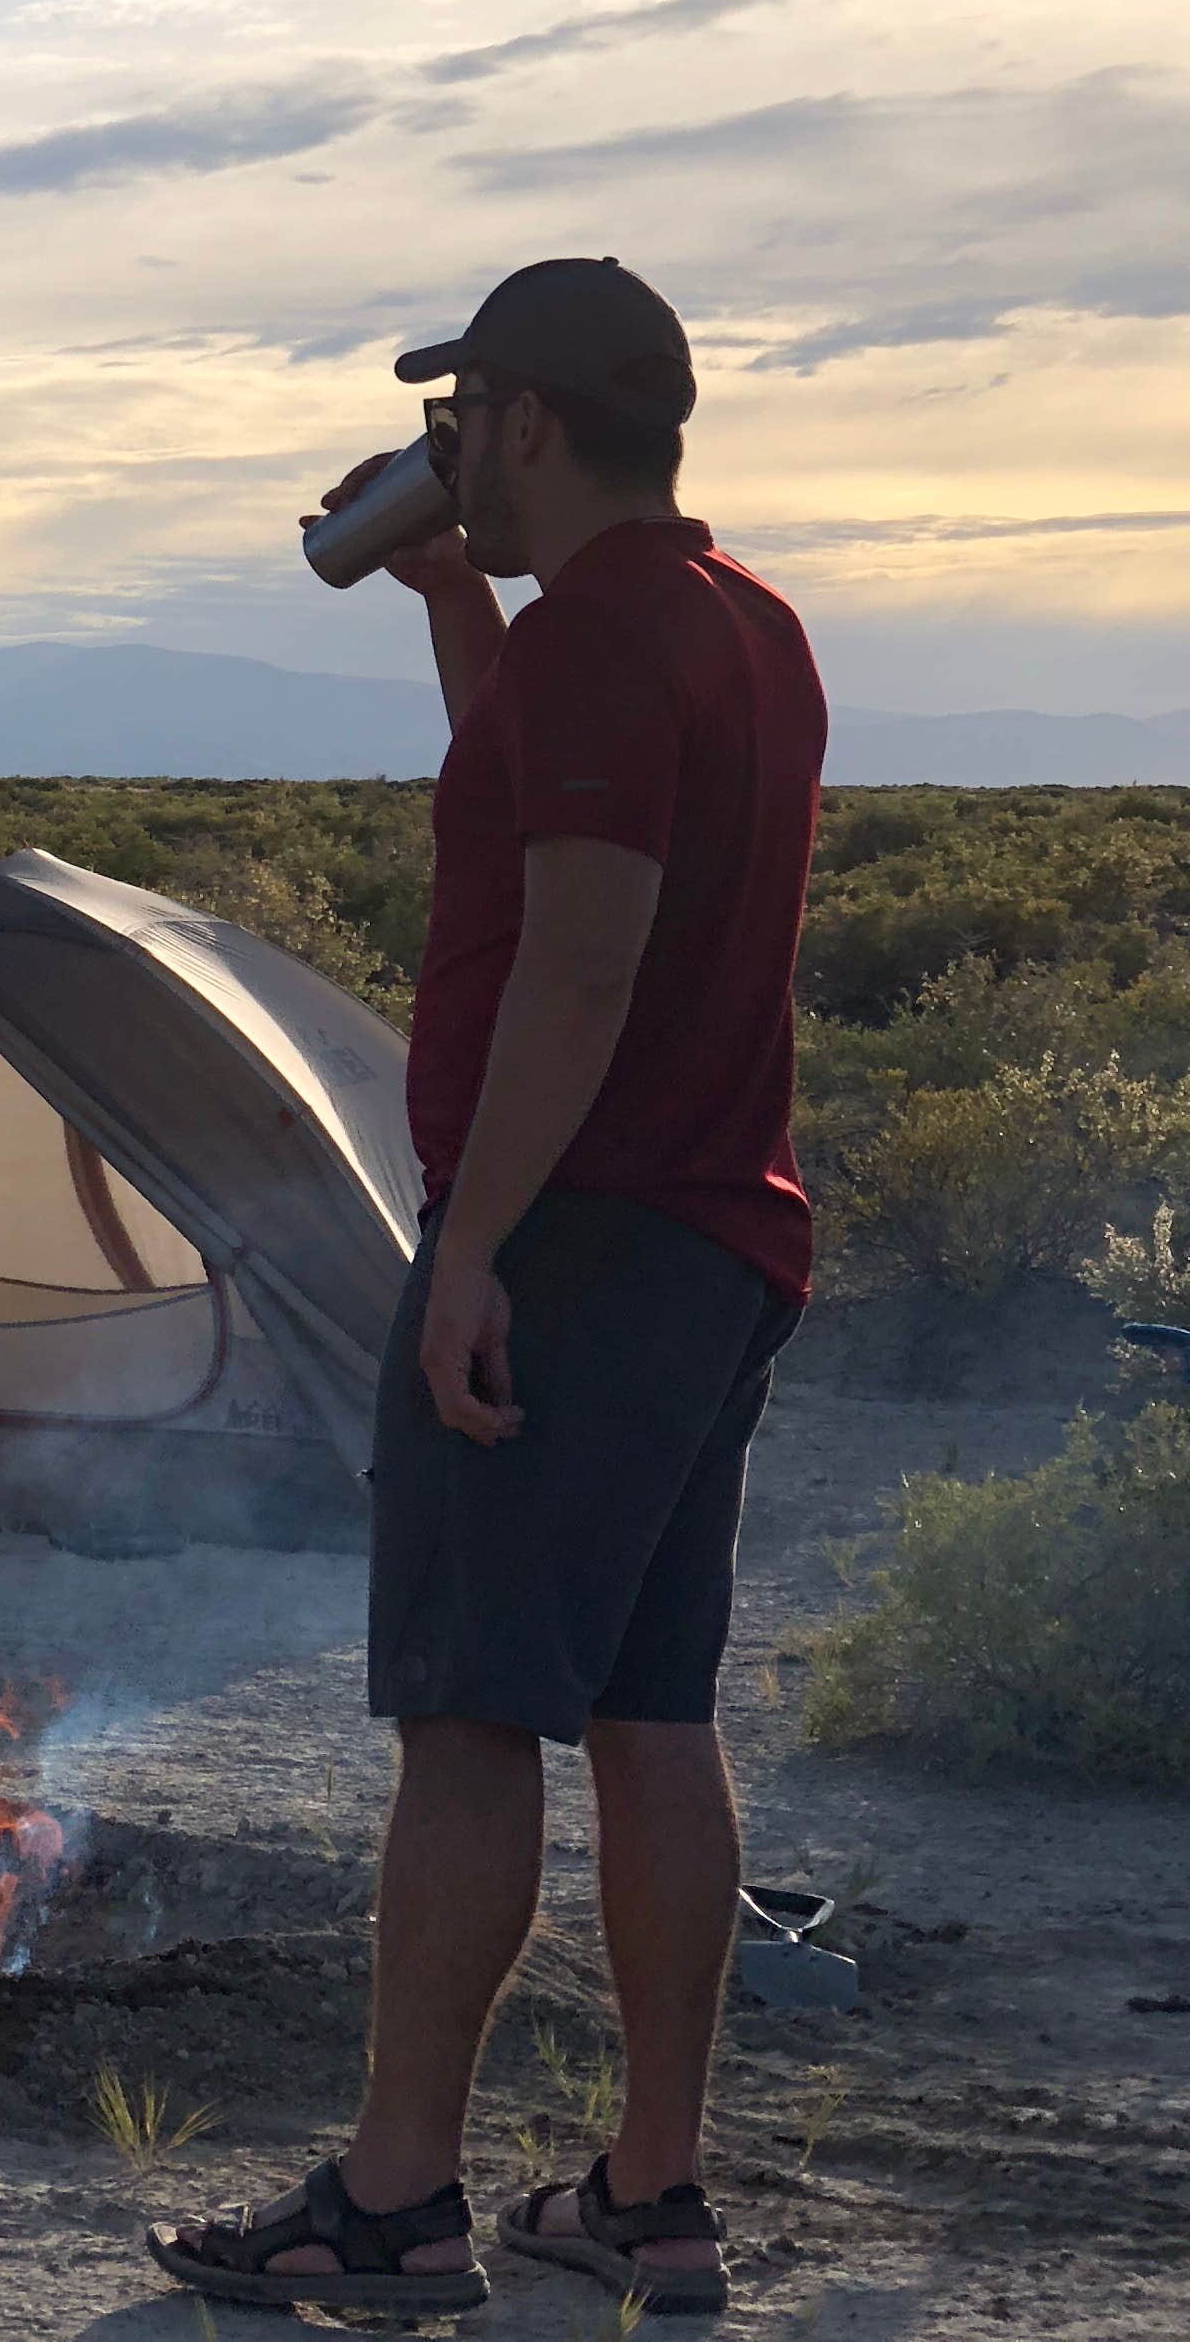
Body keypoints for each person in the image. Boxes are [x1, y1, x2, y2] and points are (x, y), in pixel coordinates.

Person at [149, 260, 824, 2320]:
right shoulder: (731, 623)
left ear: (526, 420)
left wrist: (468, 1251)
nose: (447, 457)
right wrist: (456, 606)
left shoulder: (606, 636)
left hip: (577, 1243)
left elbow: (582, 960)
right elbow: (548, 824)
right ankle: (648, 2192)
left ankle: (391, 2202)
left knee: (465, 1717)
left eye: (462, 426)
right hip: (711, 1237)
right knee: (650, 1709)